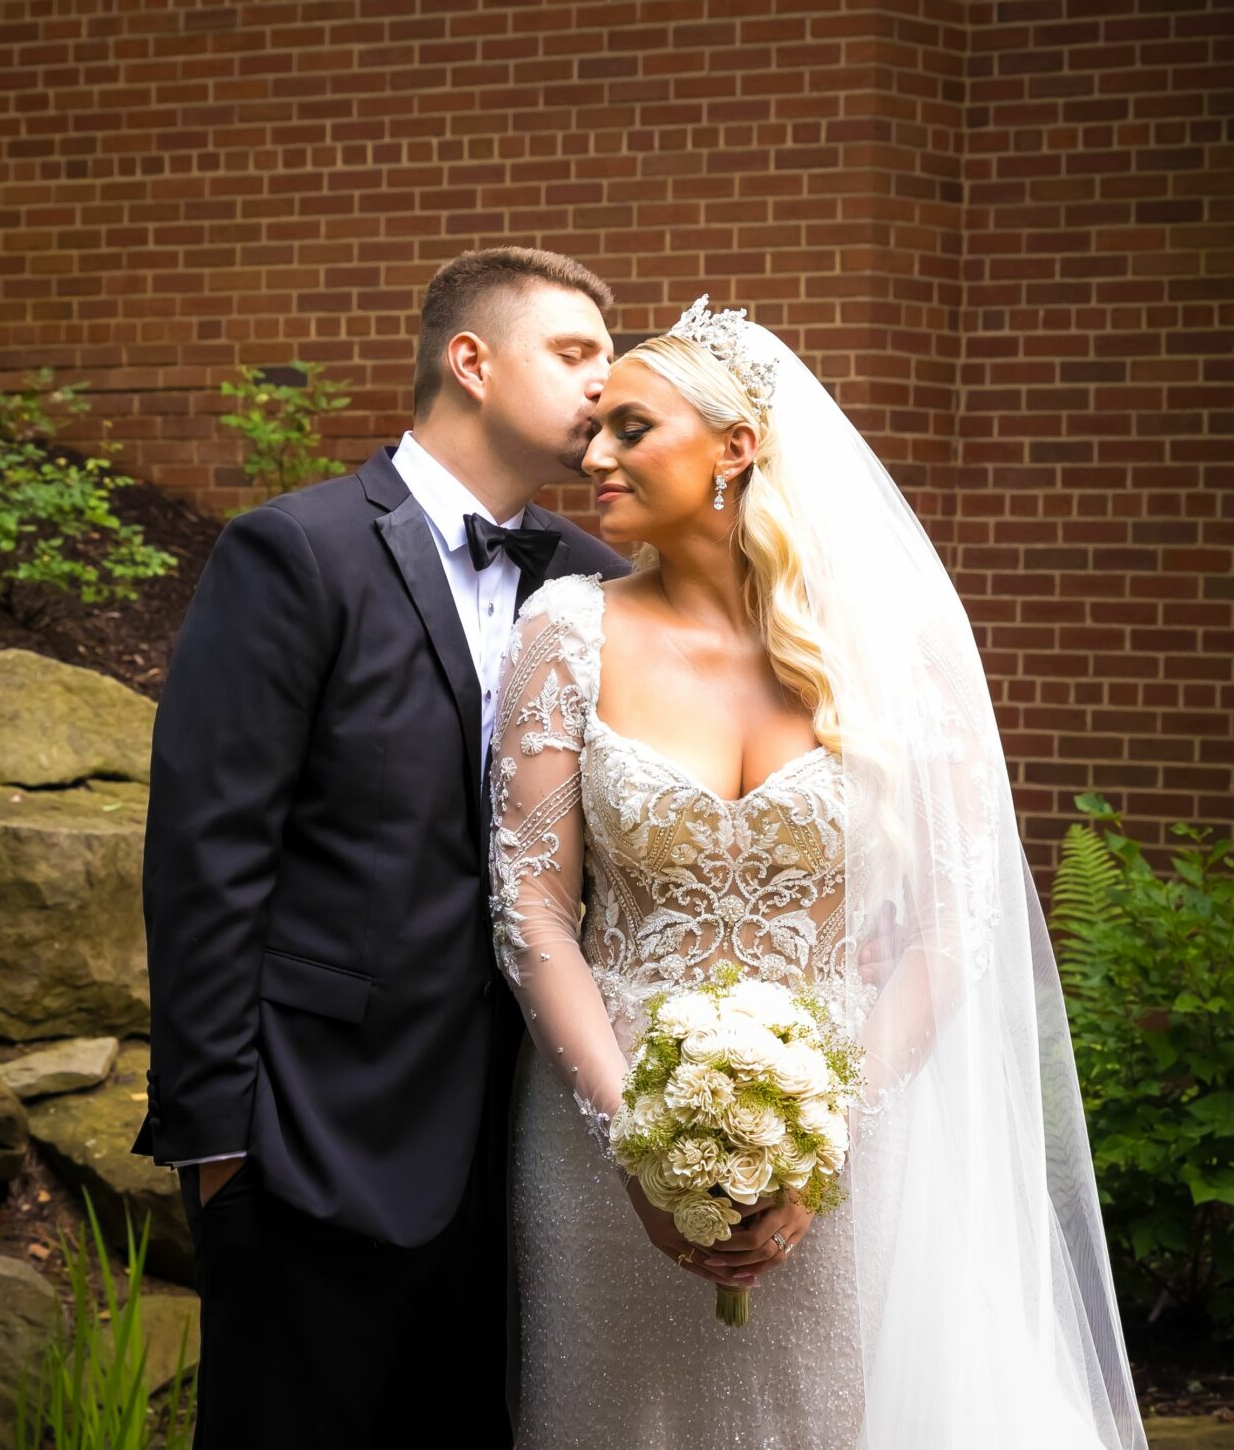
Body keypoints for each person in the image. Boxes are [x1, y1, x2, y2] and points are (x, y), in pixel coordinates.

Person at [488, 297, 1150, 1447]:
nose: (590, 455)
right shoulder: (563, 631)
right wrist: (628, 1138)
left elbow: (957, 920)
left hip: (849, 1122)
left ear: (734, 448)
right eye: (592, 430)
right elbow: (533, 910)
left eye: (629, 428)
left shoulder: (895, 650)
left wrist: (827, 1138)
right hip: (603, 1122)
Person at [134, 247, 629, 1449]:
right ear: (470, 360)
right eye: (574, 355)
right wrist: (217, 1144)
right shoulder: (296, 553)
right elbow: (206, 854)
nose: (604, 389)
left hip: (524, 1153)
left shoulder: (601, 582)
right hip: (313, 1139)